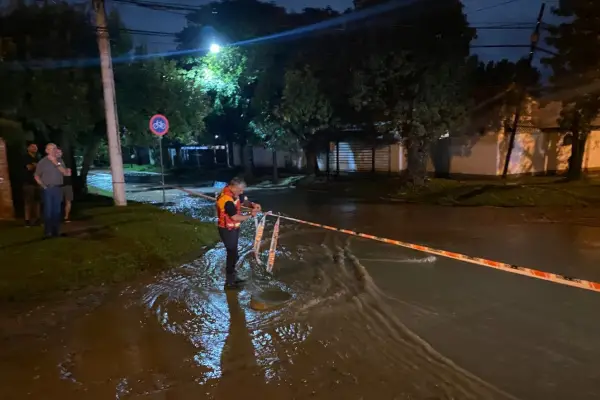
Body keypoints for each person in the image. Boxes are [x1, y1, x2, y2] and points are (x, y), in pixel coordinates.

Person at [216, 177, 261, 290]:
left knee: (235, 254)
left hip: (234, 228)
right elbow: (235, 217)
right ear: (234, 187)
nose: (242, 192)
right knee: (231, 254)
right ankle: (229, 282)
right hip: (226, 230)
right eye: (240, 190)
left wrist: (252, 205)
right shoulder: (226, 200)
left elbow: (243, 200)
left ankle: (233, 276)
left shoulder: (235, 194)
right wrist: (251, 215)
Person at [35, 143, 71, 238]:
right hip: (48, 188)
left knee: (57, 211)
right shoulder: (42, 162)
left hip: (58, 188)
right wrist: (43, 186)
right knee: (48, 211)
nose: (54, 150)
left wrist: (55, 162)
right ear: (47, 151)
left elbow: (65, 172)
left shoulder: (59, 160)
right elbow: (36, 175)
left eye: (55, 148)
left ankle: (56, 231)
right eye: (51, 149)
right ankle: (48, 232)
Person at [23, 142, 41, 227]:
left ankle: (37, 219)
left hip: (37, 183)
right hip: (28, 182)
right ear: (28, 148)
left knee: (37, 201)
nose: (35, 148)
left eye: (36, 147)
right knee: (28, 202)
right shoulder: (25, 157)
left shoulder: (38, 158)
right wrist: (35, 166)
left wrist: (35, 166)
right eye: (32, 147)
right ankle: (27, 220)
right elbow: (29, 167)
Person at [55, 148, 73, 222]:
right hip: (58, 184)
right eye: (57, 152)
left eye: (60, 152)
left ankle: (66, 217)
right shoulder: (54, 161)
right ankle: (57, 217)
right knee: (57, 202)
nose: (59, 153)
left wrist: (68, 171)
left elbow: (68, 172)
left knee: (68, 200)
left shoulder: (64, 160)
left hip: (67, 183)